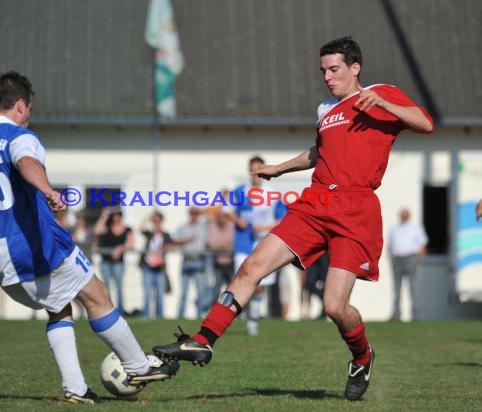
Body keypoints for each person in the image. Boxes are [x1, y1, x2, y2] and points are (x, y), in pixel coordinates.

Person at [152, 36, 434, 401]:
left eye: (334, 69)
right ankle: (203, 340)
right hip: (315, 203)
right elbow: (319, 151)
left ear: (355, 68)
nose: (327, 77)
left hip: (355, 208)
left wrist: (383, 103)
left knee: (334, 306)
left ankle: (362, 357)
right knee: (252, 265)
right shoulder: (325, 109)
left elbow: (425, 123)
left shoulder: (382, 93)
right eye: (323, 71)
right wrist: (279, 169)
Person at [0, 71, 179, 404]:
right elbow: (26, 162)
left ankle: (75, 388)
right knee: (97, 295)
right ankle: (138, 365)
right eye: (30, 108)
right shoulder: (17, 136)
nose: (30, 115)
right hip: (30, 244)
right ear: (21, 104)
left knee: (59, 309)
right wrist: (47, 189)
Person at [231, 155, 283, 336]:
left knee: (259, 285)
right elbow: (226, 211)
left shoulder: (273, 194)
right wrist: (237, 220)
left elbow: (282, 219)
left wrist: (266, 227)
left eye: (259, 170)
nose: (256, 174)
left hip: (265, 244)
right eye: (253, 170)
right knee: (241, 280)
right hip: (243, 243)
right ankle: (230, 317)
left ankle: (252, 321)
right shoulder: (239, 191)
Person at [388, 208, 428, 321]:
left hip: (411, 258)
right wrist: (391, 257)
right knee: (396, 288)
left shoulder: (415, 227)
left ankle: (415, 314)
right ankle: (396, 314)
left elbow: (422, 244)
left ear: (409, 216)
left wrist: (419, 259)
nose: (403, 216)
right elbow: (390, 244)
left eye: (405, 215)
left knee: (413, 287)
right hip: (397, 259)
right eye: (401, 215)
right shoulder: (394, 228)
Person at [93, 208, 134, 315]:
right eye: (113, 215)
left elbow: (131, 245)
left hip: (119, 263)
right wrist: (104, 215)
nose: (115, 217)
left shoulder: (127, 229)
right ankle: (108, 311)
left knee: (119, 287)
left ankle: (121, 311)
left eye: (117, 215)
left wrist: (121, 248)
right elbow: (96, 231)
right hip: (106, 262)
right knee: (106, 287)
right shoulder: (106, 228)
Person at [138, 211, 175, 319]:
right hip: (148, 267)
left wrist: (167, 248)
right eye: (154, 221)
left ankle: (160, 316)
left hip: (160, 269)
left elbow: (173, 245)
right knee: (147, 293)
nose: (156, 223)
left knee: (159, 295)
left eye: (158, 221)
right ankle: (146, 316)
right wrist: (148, 217)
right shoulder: (150, 234)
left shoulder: (166, 235)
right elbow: (140, 227)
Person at [175, 207, 209, 319]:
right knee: (183, 291)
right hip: (187, 260)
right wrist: (186, 240)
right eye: (193, 214)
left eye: (196, 214)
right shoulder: (182, 228)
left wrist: (204, 211)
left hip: (199, 260)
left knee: (201, 290)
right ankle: (180, 315)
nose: (194, 216)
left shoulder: (204, 227)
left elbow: (215, 215)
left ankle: (200, 314)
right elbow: (175, 241)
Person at [206, 209, 235, 310]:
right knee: (216, 290)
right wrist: (225, 246)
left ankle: (232, 312)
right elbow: (211, 245)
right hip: (218, 264)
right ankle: (213, 311)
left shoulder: (232, 226)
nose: (221, 219)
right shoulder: (213, 226)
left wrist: (220, 246)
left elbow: (234, 245)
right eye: (219, 216)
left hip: (231, 263)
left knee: (233, 290)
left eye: (223, 216)